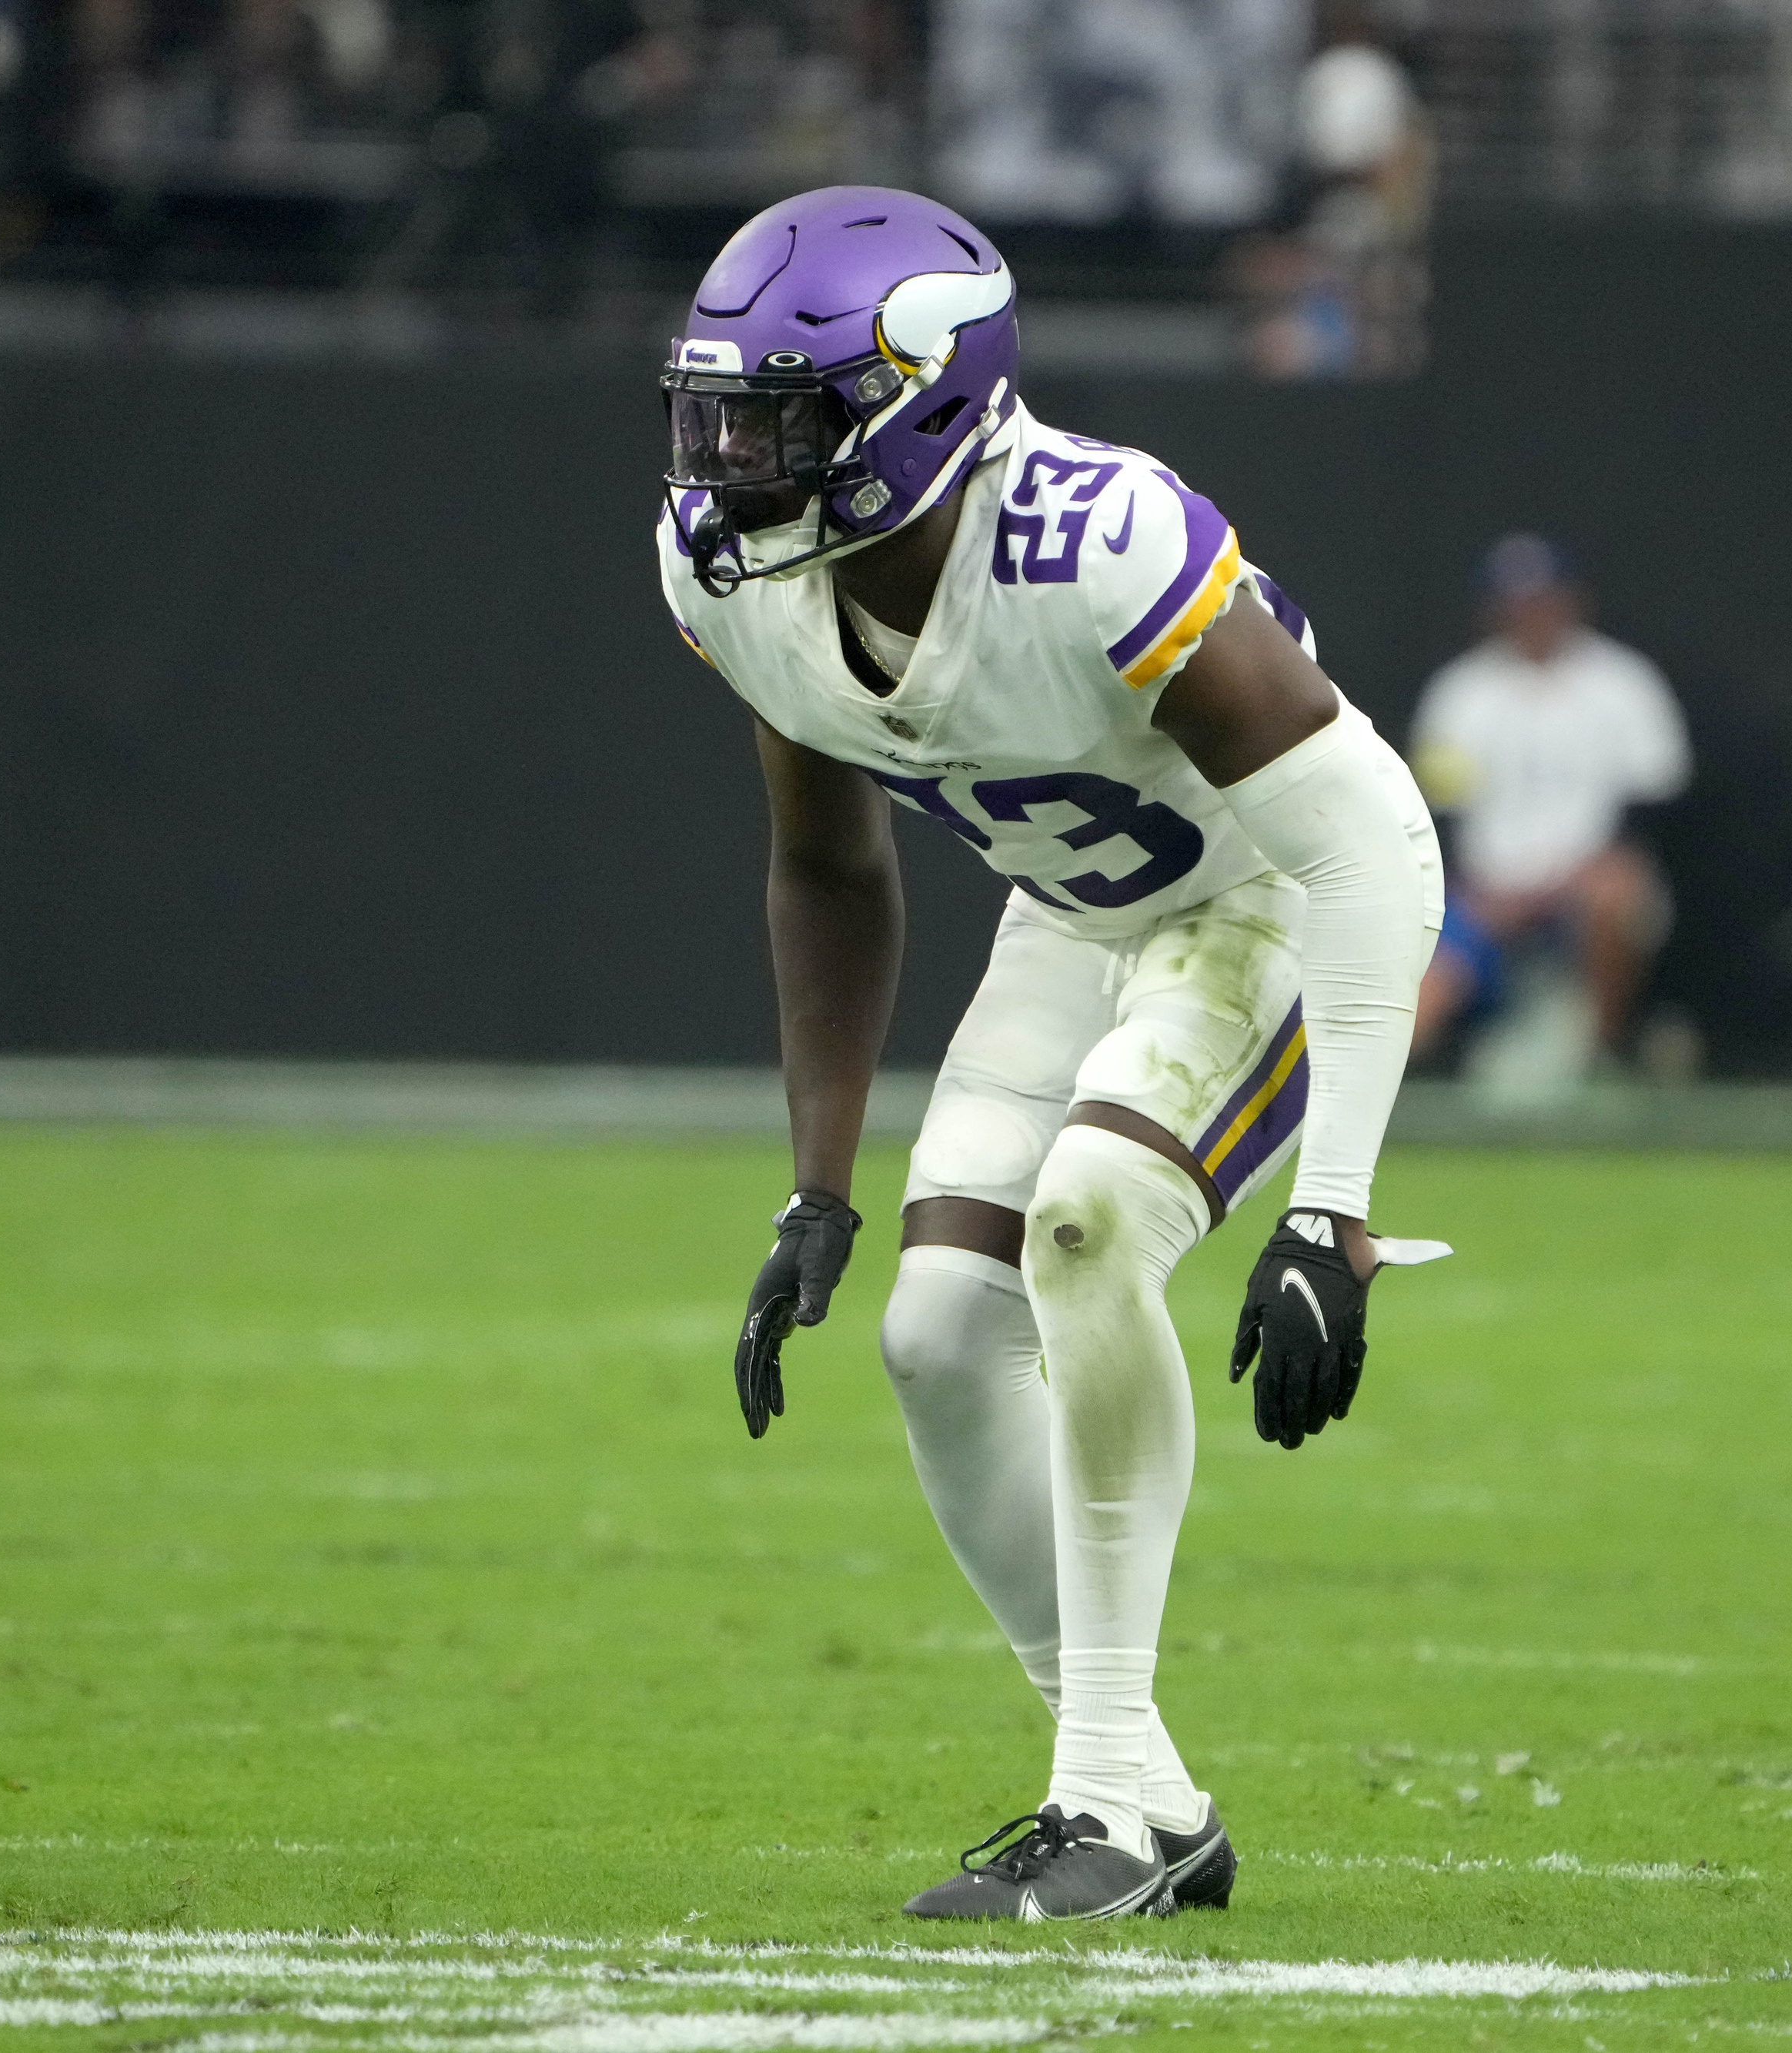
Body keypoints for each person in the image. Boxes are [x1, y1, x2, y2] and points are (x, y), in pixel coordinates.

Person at [654, 186, 1446, 1922]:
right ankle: (1146, 1796)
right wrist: (816, 1184)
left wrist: (1333, 1213)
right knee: (937, 1336)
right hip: (1073, 922)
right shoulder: (735, 579)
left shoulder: (1092, 536)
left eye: (775, 422)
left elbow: (1368, 833)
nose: (728, 466)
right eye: (712, 415)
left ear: (920, 403)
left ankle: (1097, 1806)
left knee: (1086, 1217)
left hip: (1258, 907)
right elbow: (823, 859)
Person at [1406, 534, 1689, 1068]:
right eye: (1516, 604)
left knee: (1618, 894)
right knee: (1414, 991)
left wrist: (1559, 885)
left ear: (1571, 600)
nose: (1531, 615)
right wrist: (1485, 895)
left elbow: (1655, 809)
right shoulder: (1463, 691)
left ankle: (1600, 1059)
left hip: (1582, 888)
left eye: (1542, 600)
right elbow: (1436, 816)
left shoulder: (1622, 683)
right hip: (1488, 895)